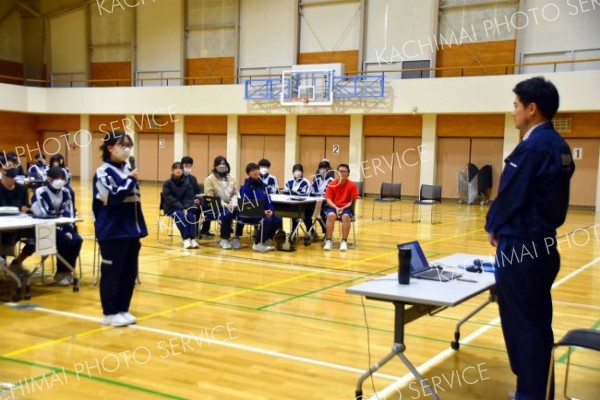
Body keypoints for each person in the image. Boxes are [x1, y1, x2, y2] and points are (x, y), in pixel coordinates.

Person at [485, 77, 574, 400]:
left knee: (523, 325)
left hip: (521, 246)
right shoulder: (559, 146)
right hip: (544, 244)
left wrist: (493, 226)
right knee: (537, 322)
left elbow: (511, 194)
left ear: (531, 109)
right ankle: (536, 389)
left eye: (515, 105)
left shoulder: (533, 147)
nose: (513, 111)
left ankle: (530, 394)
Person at [93, 132, 148, 327]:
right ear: (110, 148)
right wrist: (130, 180)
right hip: (112, 232)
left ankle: (123, 309)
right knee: (112, 273)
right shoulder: (103, 172)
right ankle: (109, 312)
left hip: (131, 231)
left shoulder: (127, 170)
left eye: (128, 146)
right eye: (122, 145)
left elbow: (135, 202)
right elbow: (112, 196)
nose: (126, 149)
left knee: (128, 273)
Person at [31, 167, 82, 285]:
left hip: (63, 226)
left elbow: (68, 212)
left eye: (62, 178)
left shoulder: (66, 192)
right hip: (45, 227)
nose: (61, 181)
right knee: (64, 240)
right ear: (49, 179)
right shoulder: (40, 192)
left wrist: (67, 228)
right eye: (58, 178)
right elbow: (45, 214)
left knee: (77, 239)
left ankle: (67, 271)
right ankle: (60, 273)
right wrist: (62, 230)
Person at [0, 156, 34, 277]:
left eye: (14, 165)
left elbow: (26, 206)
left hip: (20, 226)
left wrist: (26, 208)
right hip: (2, 229)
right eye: (8, 166)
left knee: (37, 236)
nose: (12, 168)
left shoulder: (22, 188)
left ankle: (17, 263)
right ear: (2, 169)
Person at [239, 163, 283, 252]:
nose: (255, 172)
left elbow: (269, 201)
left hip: (263, 213)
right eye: (252, 170)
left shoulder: (264, 186)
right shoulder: (245, 188)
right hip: (251, 214)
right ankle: (257, 244)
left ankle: (265, 239)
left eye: (256, 169)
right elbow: (247, 205)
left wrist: (271, 211)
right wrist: (262, 212)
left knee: (277, 219)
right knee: (267, 220)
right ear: (248, 174)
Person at [204, 156, 243, 249]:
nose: (222, 166)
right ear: (215, 167)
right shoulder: (209, 179)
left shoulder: (231, 178)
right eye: (219, 165)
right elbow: (210, 196)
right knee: (227, 215)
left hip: (231, 205)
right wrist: (225, 205)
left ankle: (236, 237)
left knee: (242, 213)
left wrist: (233, 204)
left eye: (224, 165)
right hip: (216, 206)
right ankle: (224, 239)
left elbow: (235, 193)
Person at [162, 162, 199, 249]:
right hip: (171, 208)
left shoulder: (187, 183)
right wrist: (182, 208)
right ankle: (186, 238)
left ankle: (193, 238)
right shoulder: (167, 183)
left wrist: (186, 208)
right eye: (176, 168)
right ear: (173, 170)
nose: (178, 170)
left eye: (180, 169)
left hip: (185, 207)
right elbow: (169, 198)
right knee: (180, 215)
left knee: (191, 215)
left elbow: (189, 198)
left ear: (182, 171)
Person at [323, 164, 359, 252]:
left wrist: (342, 208)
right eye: (340, 171)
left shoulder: (352, 185)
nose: (342, 173)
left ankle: (344, 241)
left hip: (346, 207)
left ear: (348, 174)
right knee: (331, 215)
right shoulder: (331, 184)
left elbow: (352, 201)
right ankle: (328, 240)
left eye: (344, 172)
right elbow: (328, 200)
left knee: (345, 217)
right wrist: (336, 207)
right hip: (333, 207)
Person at [181, 155, 214, 238]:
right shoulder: (179, 178)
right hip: (184, 202)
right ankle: (194, 232)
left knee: (208, 207)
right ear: (182, 165)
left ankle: (205, 230)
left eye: (189, 166)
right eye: (186, 166)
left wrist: (200, 197)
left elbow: (197, 191)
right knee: (196, 209)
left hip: (193, 200)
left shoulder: (193, 178)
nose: (187, 168)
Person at [282, 163, 315, 239]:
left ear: (302, 172)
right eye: (296, 171)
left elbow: (306, 194)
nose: (297, 172)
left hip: (303, 205)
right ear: (293, 172)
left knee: (306, 213)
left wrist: (295, 193)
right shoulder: (289, 181)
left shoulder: (305, 182)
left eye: (299, 171)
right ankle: (290, 231)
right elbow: (286, 192)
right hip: (291, 204)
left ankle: (309, 231)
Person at [309, 159, 335, 238]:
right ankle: (311, 231)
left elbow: (330, 196)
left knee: (322, 212)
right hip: (315, 203)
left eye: (324, 168)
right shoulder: (316, 180)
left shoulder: (332, 181)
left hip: (326, 204)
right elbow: (311, 191)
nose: (322, 170)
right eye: (321, 168)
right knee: (306, 211)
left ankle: (327, 232)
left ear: (328, 169)